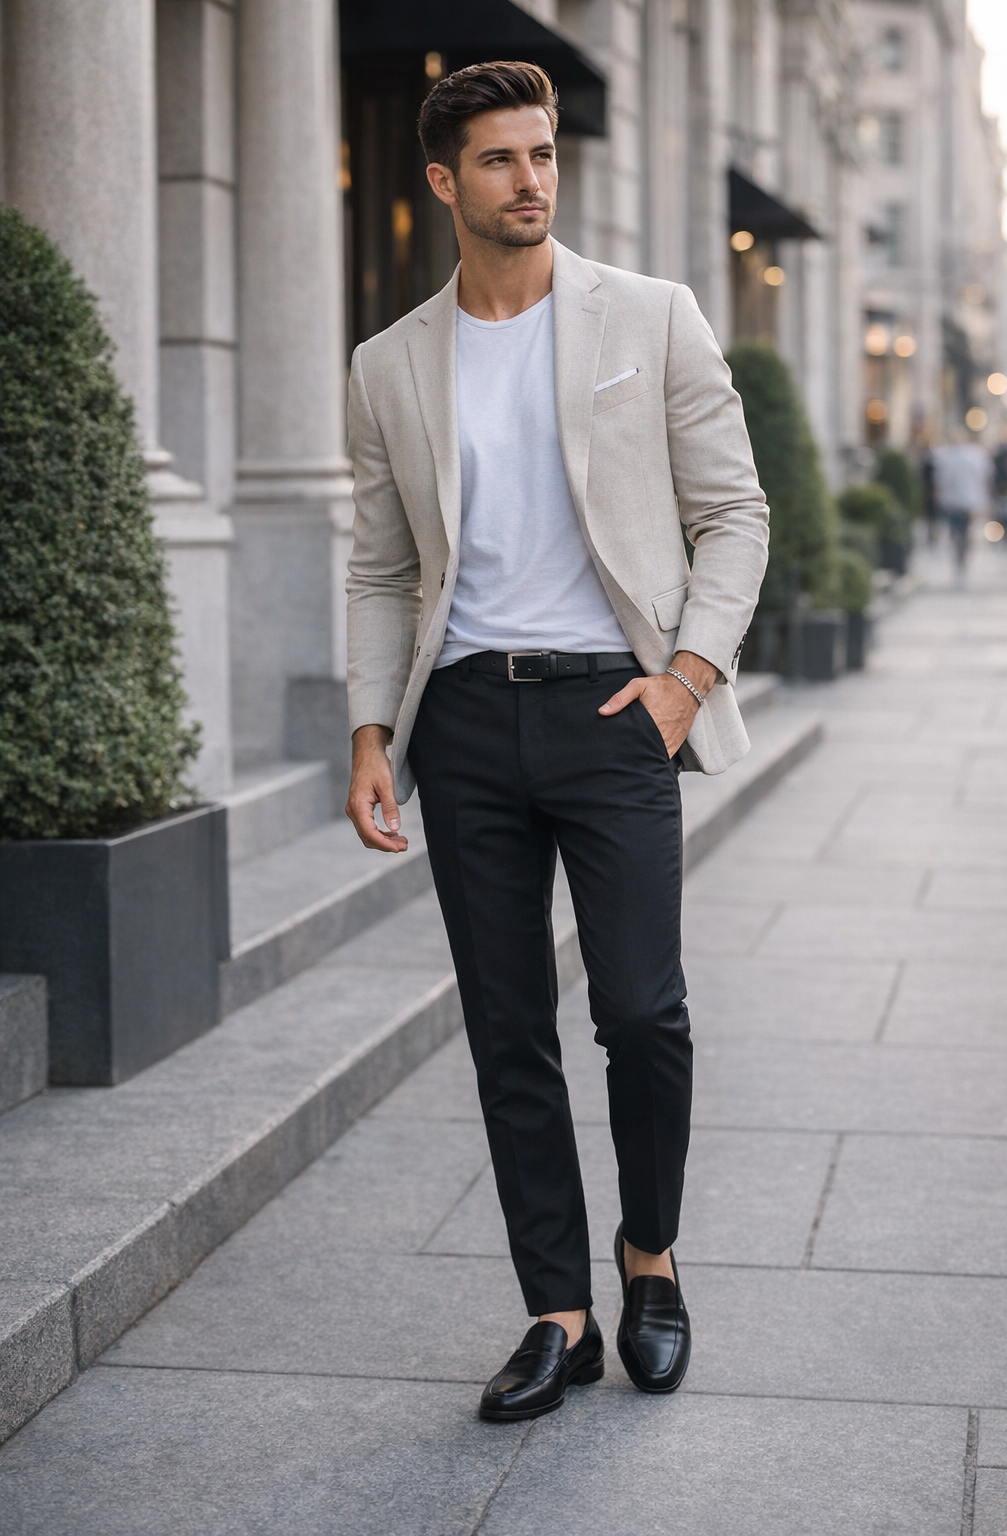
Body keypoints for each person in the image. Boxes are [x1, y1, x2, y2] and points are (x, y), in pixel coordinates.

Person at [344, 61, 768, 1422]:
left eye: (543, 155)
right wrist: (370, 730)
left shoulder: (651, 316)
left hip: (613, 711)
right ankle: (559, 1311)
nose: (533, 179)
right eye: (502, 161)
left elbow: (736, 515)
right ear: (443, 182)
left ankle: (649, 1261)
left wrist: (686, 679)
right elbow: (380, 565)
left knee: (643, 1012)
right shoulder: (389, 365)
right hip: (464, 720)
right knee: (506, 1026)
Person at [933, 431, 991, 579]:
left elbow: (941, 480)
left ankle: (959, 552)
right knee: (965, 530)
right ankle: (962, 552)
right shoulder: (976, 456)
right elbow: (985, 479)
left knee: (956, 530)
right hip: (968, 501)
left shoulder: (948, 457)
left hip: (954, 500)